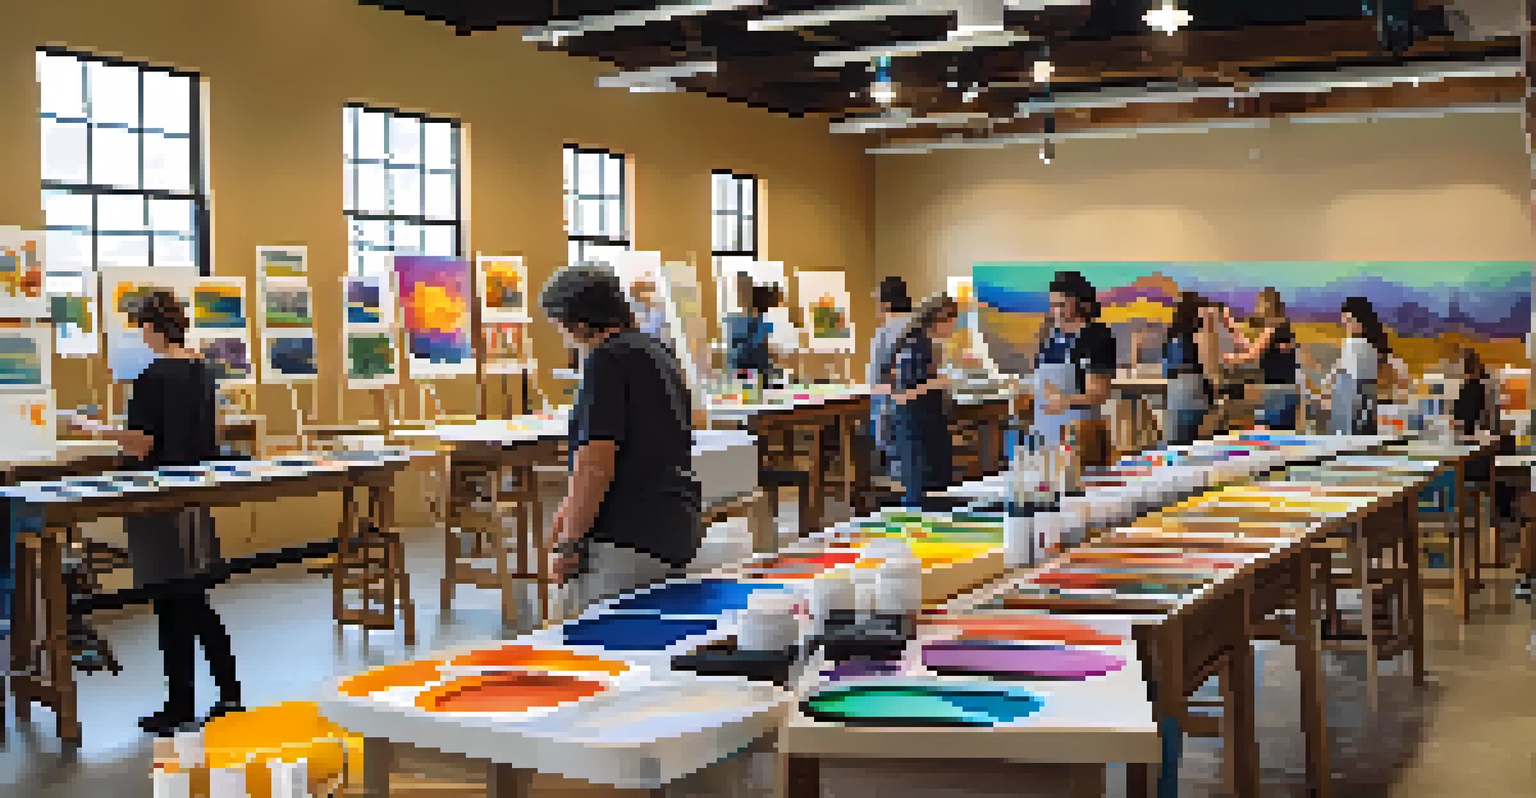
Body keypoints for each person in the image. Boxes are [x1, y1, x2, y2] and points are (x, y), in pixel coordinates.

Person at [73, 290, 241, 736]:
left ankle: (188, 703)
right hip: (193, 494)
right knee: (191, 600)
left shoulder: (153, 377)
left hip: (159, 498)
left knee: (174, 602)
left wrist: (94, 428)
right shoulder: (201, 372)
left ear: (150, 328)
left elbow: (141, 442)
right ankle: (219, 695)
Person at [543, 264, 704, 615]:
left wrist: (569, 543)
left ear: (579, 322)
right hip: (672, 527)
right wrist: (568, 512)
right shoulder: (658, 352)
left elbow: (595, 465)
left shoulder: (607, 361)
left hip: (624, 537)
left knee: (595, 652)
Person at [878, 295, 958, 508]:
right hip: (917, 429)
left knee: (934, 489)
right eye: (952, 321)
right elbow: (902, 393)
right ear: (940, 319)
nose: (953, 327)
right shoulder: (915, 346)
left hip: (928, 426)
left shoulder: (923, 344)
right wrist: (939, 382)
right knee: (922, 491)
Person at [1032, 271, 1116, 465]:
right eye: (1053, 305)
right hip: (1045, 429)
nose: (1056, 312)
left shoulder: (1096, 337)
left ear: (1081, 304)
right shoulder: (1049, 336)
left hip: (1080, 432)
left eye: (1062, 305)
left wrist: (1064, 400)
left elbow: (1099, 393)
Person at [1223, 287, 1298, 431]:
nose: (1257, 308)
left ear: (1267, 305)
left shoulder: (1271, 329)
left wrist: (1224, 359)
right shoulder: (1284, 327)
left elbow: (1252, 356)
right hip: (1287, 390)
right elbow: (1255, 349)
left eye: (1259, 304)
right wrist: (1233, 328)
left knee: (1271, 437)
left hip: (1274, 392)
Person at [868, 277, 913, 477]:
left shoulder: (884, 333)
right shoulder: (921, 325)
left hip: (893, 409)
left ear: (885, 303)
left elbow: (875, 378)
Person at [1329, 296, 1390, 435]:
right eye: (1344, 320)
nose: (1345, 325)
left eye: (1349, 320)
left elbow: (1349, 382)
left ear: (1362, 322)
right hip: (1363, 407)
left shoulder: (1355, 345)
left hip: (1352, 408)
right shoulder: (1373, 346)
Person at [1162, 292, 1212, 446]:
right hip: (1193, 382)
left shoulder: (1172, 332)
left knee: (1175, 434)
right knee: (1192, 436)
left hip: (1174, 385)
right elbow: (1206, 361)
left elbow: (1166, 364)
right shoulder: (1198, 330)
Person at [722, 275, 772, 382]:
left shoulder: (761, 317)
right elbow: (733, 349)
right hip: (742, 369)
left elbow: (764, 344)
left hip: (758, 369)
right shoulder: (734, 319)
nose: (743, 296)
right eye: (741, 292)